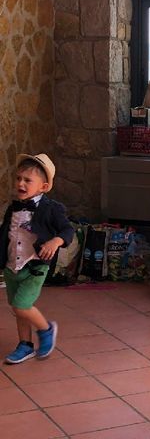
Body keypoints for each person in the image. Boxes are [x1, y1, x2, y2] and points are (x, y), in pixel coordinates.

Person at [0, 153, 74, 364]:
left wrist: (55, 241)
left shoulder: (52, 209)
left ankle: (46, 329)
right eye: (18, 178)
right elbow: (6, 233)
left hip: (35, 267)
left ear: (43, 187)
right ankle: (25, 345)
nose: (20, 183)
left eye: (27, 180)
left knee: (22, 306)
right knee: (17, 307)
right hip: (12, 266)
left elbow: (67, 230)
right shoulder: (13, 208)